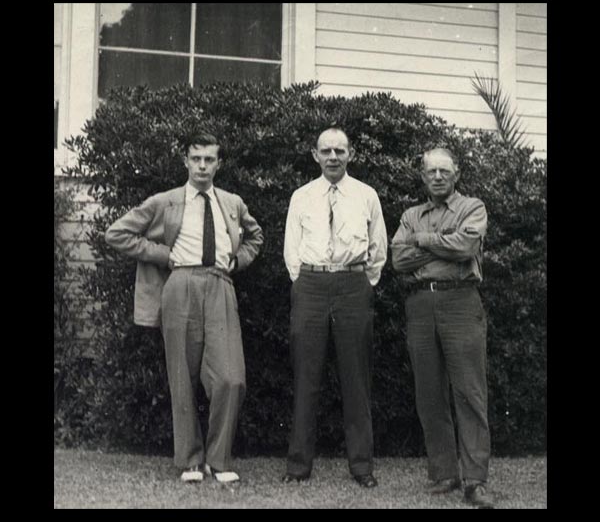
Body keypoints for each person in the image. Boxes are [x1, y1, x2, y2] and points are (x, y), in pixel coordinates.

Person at [105, 133, 263, 484]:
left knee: (231, 377)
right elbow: (117, 233)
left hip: (221, 284)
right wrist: (163, 255)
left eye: (209, 159)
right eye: (196, 159)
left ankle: (219, 461)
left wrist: (238, 261)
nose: (203, 166)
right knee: (183, 376)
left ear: (219, 163)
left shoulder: (232, 202)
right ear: (186, 161)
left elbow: (255, 237)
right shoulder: (167, 201)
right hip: (180, 285)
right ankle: (191, 461)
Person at [282, 127, 388, 488]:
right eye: (326, 151)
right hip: (311, 285)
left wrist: (360, 281)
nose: (332, 157)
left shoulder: (366, 195)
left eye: (339, 151)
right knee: (306, 376)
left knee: (356, 378)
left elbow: (379, 249)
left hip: (352, 285)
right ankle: (298, 467)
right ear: (315, 155)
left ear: (351, 153)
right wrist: (307, 279)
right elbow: (291, 250)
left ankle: (362, 467)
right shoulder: (301, 196)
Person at [390, 148, 495, 508]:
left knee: (469, 392)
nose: (437, 176)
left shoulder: (472, 208)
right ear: (422, 176)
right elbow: (398, 259)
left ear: (456, 174)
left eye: (444, 171)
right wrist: (442, 245)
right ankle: (445, 473)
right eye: (431, 171)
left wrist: (422, 240)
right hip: (420, 304)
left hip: (461, 302)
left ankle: (475, 480)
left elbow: (466, 246)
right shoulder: (410, 214)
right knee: (429, 392)